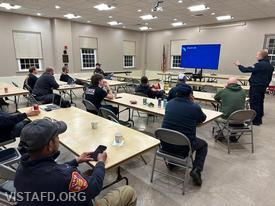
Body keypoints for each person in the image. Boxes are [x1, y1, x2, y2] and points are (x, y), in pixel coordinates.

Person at [14, 118, 137, 206]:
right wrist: (100, 163)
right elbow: (94, 187)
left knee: (87, 173)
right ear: (49, 145)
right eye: (57, 136)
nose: (58, 138)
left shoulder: (21, 169)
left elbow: (49, 170)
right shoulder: (63, 177)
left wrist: (75, 161)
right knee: (128, 191)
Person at [161, 84, 207, 186]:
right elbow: (202, 118)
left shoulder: (169, 104)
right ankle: (196, 170)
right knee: (203, 145)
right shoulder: (194, 107)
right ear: (190, 95)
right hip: (184, 148)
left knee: (174, 135)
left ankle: (172, 163)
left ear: (177, 93)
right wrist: (193, 102)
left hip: (164, 145)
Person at [234, 50, 274, 125]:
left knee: (254, 103)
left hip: (256, 86)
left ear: (261, 56)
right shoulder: (270, 66)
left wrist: (239, 65)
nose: (256, 56)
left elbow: (245, 70)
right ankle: (260, 115)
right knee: (260, 101)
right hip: (263, 86)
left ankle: (256, 121)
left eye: (257, 55)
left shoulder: (259, 65)